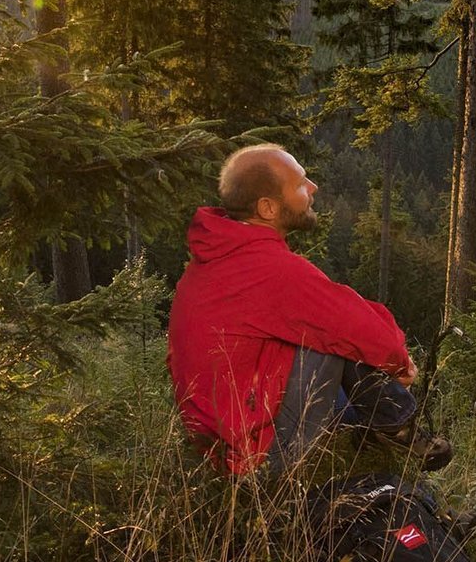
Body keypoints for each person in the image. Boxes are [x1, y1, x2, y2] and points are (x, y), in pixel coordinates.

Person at [166, 143, 452, 476]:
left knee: (334, 337)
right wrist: (399, 363)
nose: (313, 187)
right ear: (268, 208)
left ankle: (370, 429)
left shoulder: (219, 255)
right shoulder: (270, 269)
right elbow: (363, 330)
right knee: (341, 337)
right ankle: (399, 429)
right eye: (301, 184)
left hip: (221, 437)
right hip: (254, 454)